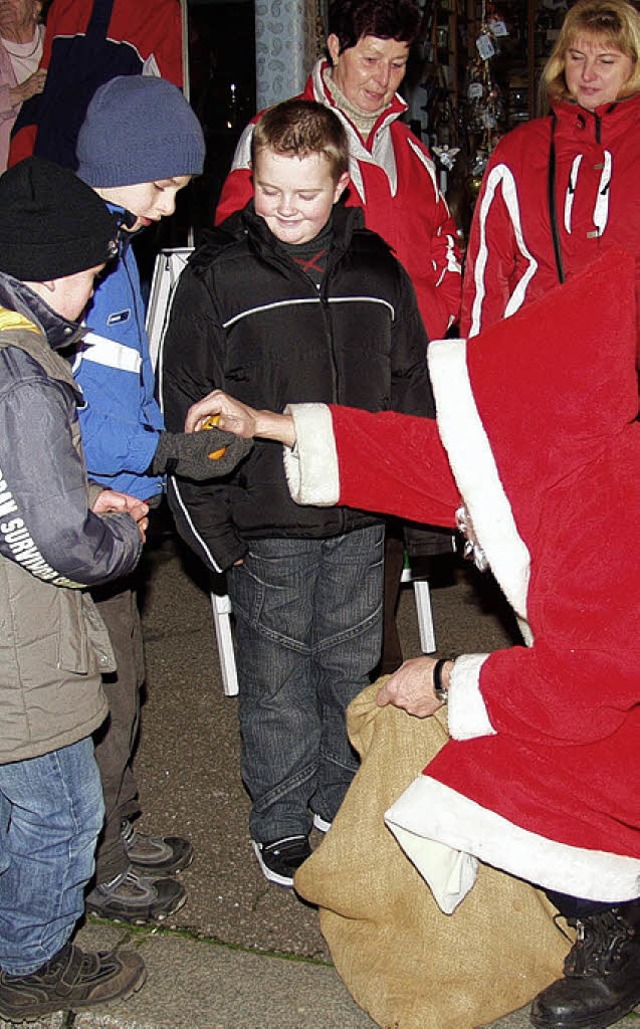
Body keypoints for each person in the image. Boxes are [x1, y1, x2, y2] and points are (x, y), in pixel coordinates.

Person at [183, 247, 640, 1029]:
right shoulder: (561, 448)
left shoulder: (601, 516)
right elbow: (433, 461)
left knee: (507, 764)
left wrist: (448, 676)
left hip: (606, 688)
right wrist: (268, 423)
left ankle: (621, 924)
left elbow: (590, 683)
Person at [160, 98, 436, 888]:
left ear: (341, 183)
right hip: (264, 522)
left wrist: (421, 520)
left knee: (347, 665)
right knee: (277, 682)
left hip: (360, 514)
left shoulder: (380, 271)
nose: (284, 208)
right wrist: (213, 539)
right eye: (269, 189)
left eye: (304, 193)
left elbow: (411, 395)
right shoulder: (217, 276)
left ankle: (335, 793)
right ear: (252, 179)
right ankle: (278, 816)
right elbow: (185, 403)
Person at [217, 0, 462, 676]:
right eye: (370, 60)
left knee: (379, 531)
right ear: (331, 48)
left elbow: (446, 253)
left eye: (399, 64)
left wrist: (428, 318)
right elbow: (237, 250)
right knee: (308, 547)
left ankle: (370, 675)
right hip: (303, 377)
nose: (385, 79)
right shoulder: (276, 136)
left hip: (395, 374)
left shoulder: (410, 151)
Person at [71, 74, 252, 924]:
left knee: (127, 680)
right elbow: (78, 419)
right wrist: (168, 452)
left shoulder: (116, 242)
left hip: (120, 514)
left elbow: (126, 385)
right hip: (86, 512)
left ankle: (117, 819)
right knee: (95, 695)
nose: (171, 204)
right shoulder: (78, 255)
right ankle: (92, 862)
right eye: (163, 185)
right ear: (116, 166)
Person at [0, 155, 149, 1023]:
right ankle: (29, 960)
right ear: (52, 273)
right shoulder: (22, 378)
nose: (92, 296)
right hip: (20, 647)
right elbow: (54, 541)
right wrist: (117, 534)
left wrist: (78, 484)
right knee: (62, 809)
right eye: (90, 278)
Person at [460, 0, 640, 340]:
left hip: (626, 360)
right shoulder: (519, 151)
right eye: (576, 57)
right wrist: (478, 361)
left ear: (633, 67)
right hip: (535, 352)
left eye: (606, 61)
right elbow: (488, 270)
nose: (588, 75)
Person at [8, 0, 183, 169]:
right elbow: (43, 90)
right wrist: (23, 167)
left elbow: (167, 109)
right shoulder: (63, 6)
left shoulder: (162, 10)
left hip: (114, 168)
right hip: (56, 169)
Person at [0, 0, 45, 171]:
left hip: (60, 172)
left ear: (36, 6)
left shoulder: (59, 45)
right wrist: (17, 94)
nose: (3, 3)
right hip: (8, 179)